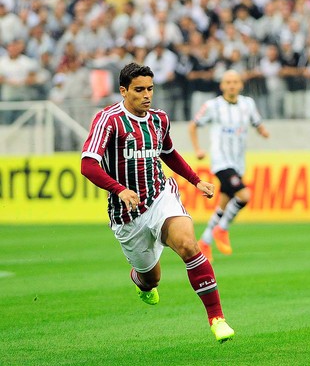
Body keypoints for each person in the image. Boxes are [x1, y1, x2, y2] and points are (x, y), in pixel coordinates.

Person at [80, 63, 234, 343]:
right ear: (124, 91)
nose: (147, 95)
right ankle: (142, 282)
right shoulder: (108, 120)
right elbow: (88, 165)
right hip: (127, 214)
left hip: (161, 195)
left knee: (189, 245)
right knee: (152, 278)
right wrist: (119, 189)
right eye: (139, 90)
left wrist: (195, 180)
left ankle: (217, 318)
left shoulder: (159, 118)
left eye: (150, 89)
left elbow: (169, 152)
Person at [188, 70, 269, 261]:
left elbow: (257, 122)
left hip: (238, 162)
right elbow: (193, 126)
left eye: (235, 81)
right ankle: (221, 230)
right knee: (244, 195)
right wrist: (198, 149)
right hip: (221, 161)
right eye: (228, 82)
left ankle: (204, 242)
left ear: (241, 84)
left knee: (223, 204)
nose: (232, 85)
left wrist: (263, 131)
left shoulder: (248, 104)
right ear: (222, 85)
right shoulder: (212, 106)